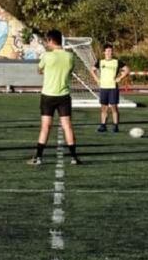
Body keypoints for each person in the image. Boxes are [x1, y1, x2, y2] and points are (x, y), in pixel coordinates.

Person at [30, 29, 80, 166]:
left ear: (51, 41)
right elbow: (69, 71)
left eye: (47, 41)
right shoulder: (70, 56)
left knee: (45, 127)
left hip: (48, 96)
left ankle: (38, 157)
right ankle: (74, 157)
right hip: (63, 95)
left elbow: (39, 70)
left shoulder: (46, 56)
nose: (47, 44)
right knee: (67, 126)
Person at [92, 43, 129, 133]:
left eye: (111, 51)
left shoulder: (116, 61)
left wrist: (120, 77)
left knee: (114, 107)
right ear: (104, 52)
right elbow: (92, 70)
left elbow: (127, 69)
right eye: (108, 51)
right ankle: (103, 125)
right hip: (103, 87)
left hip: (113, 88)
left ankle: (115, 126)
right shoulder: (100, 62)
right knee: (103, 108)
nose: (110, 52)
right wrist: (97, 79)